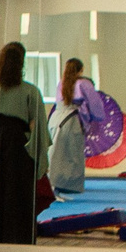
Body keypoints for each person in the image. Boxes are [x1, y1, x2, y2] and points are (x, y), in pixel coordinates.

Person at [0, 41, 49, 244]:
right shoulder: (31, 91)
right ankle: (18, 237)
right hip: (18, 147)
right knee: (17, 195)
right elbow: (36, 128)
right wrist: (36, 156)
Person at [45, 57, 89, 198]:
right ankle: (67, 185)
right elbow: (94, 106)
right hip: (71, 120)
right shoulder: (83, 84)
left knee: (54, 153)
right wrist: (91, 119)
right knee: (71, 155)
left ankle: (50, 183)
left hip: (56, 119)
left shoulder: (61, 83)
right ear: (80, 70)